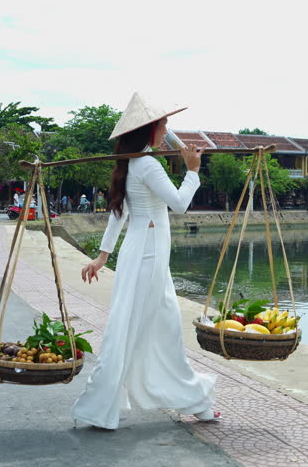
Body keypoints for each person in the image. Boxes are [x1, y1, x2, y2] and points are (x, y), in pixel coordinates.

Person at [72, 92, 217, 430]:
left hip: (145, 255)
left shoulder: (133, 162)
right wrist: (193, 170)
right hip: (148, 257)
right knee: (156, 328)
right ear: (150, 130)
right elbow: (179, 203)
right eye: (163, 124)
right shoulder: (147, 164)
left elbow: (118, 212)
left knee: (146, 327)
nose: (167, 128)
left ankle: (193, 402)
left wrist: (102, 256)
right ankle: (195, 403)